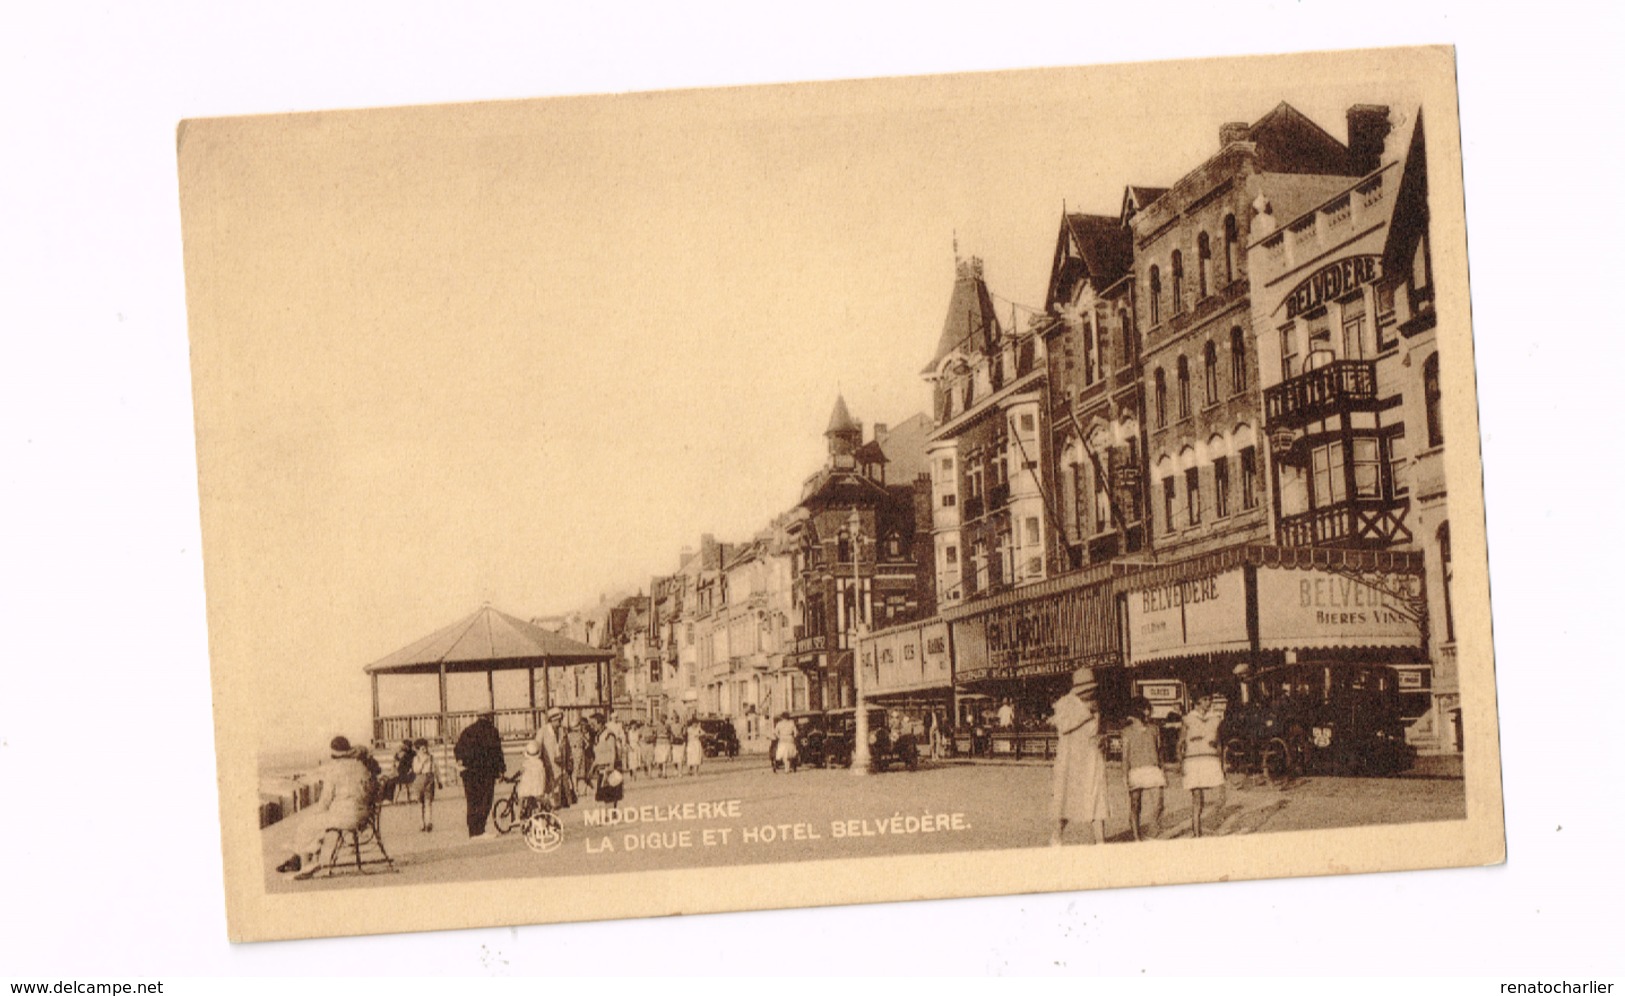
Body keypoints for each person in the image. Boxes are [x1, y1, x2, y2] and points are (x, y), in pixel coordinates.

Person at [276, 736, 374, 878]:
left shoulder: (334, 770)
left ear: (334, 754)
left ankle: (305, 865)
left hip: (346, 817)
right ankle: (311, 859)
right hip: (364, 814)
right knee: (319, 825)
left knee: (307, 825)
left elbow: (325, 801)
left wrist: (317, 814)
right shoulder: (361, 766)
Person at [1049, 667, 1109, 846]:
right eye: (1086, 691)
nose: (1090, 694)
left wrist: (1102, 739)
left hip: (1091, 758)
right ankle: (1056, 836)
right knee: (1067, 801)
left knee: (1097, 799)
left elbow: (1099, 730)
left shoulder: (1095, 705)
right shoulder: (1064, 703)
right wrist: (1086, 712)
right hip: (1071, 761)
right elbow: (1063, 725)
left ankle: (1100, 841)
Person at [1179, 690, 1226, 838]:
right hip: (1193, 761)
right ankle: (1197, 833)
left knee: (1221, 797)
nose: (1208, 702)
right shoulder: (1187, 719)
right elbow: (1180, 743)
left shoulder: (1216, 719)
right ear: (1197, 701)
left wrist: (1222, 764)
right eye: (1205, 699)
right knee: (1197, 799)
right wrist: (1181, 764)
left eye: (1209, 699)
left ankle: (1206, 826)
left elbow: (1219, 743)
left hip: (1211, 760)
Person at [454, 711, 506, 839]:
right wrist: (501, 769)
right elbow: (497, 752)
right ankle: (480, 829)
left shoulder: (468, 731)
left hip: (469, 773)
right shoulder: (492, 731)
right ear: (489, 717)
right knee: (485, 800)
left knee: (472, 801)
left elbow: (457, 749)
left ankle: (473, 831)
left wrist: (462, 762)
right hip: (486, 772)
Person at [1121, 697, 1166, 841]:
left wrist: (1162, 768)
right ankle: (1136, 837)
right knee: (1136, 805)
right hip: (1135, 770)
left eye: (1149, 708)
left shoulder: (1154, 728)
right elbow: (1125, 756)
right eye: (1146, 708)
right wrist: (1124, 776)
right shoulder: (1126, 731)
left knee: (1159, 804)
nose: (1149, 711)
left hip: (1153, 769)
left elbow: (1159, 751)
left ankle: (1153, 829)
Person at [530, 707, 566, 808]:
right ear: (552, 720)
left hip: (559, 768)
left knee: (557, 794)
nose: (560, 722)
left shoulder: (561, 732)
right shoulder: (543, 731)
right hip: (546, 767)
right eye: (558, 720)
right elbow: (536, 748)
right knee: (547, 795)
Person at [513, 741, 550, 820]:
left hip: (528, 791)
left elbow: (519, 772)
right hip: (539, 790)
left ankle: (521, 815)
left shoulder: (526, 764)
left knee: (521, 797)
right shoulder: (540, 764)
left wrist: (512, 778)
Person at [411, 737, 439, 832]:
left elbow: (436, 769)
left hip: (429, 780)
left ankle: (428, 822)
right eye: (422, 749)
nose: (425, 750)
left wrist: (439, 781)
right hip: (419, 780)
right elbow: (416, 770)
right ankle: (421, 823)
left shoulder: (431, 757)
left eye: (426, 748)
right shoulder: (416, 759)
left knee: (428, 802)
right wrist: (422, 762)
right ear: (418, 749)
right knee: (420, 804)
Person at [390, 739, 416, 803]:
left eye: (406, 745)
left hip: (407, 769)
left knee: (407, 785)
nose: (405, 746)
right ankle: (395, 800)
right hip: (402, 770)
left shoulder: (412, 753)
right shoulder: (402, 752)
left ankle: (407, 799)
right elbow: (396, 760)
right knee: (400, 786)